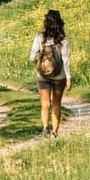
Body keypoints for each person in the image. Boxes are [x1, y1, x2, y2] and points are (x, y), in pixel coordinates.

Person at [29, 9, 72, 137]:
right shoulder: (63, 40)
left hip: (43, 76)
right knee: (56, 104)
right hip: (60, 77)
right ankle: (54, 132)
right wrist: (69, 78)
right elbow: (66, 60)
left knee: (45, 104)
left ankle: (45, 128)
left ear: (46, 22)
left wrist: (38, 58)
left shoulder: (39, 38)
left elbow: (31, 57)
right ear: (60, 23)